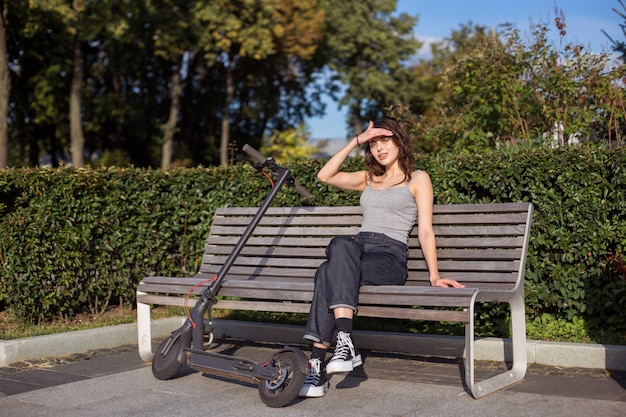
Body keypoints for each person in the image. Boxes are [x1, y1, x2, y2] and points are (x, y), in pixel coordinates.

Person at [298, 119, 465, 398]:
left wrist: (434, 275)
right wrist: (356, 140)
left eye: (385, 140)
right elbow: (324, 176)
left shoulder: (418, 178)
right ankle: (344, 339)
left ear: (399, 141)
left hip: (389, 256)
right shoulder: (368, 178)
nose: (379, 148)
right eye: (374, 144)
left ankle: (317, 364)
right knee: (339, 245)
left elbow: (425, 229)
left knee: (327, 272)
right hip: (358, 250)